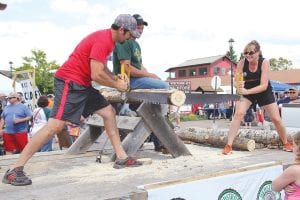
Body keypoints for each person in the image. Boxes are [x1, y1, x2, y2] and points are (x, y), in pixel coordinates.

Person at [2, 14, 143, 186]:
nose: (130, 38)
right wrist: (119, 85)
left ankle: (121, 157)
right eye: (130, 34)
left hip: (82, 83)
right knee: (55, 126)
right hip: (70, 81)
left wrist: (115, 78)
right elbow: (96, 74)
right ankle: (14, 169)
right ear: (121, 30)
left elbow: (101, 68)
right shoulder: (103, 40)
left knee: (109, 112)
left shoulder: (108, 41)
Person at [222, 40, 293, 155]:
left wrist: (247, 90)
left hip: (263, 91)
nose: (248, 55)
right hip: (247, 91)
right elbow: (236, 81)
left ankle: (286, 142)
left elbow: (264, 85)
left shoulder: (264, 62)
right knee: (238, 114)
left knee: (276, 119)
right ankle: (228, 145)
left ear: (258, 52)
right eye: (246, 53)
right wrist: (238, 85)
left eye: (251, 52)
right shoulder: (241, 63)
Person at [113, 14, 169, 152]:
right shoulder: (124, 42)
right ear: (131, 27)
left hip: (137, 79)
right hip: (128, 81)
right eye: (138, 27)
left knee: (153, 107)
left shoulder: (135, 44)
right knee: (165, 89)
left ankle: (160, 142)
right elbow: (126, 69)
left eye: (142, 28)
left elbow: (139, 66)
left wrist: (152, 76)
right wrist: (148, 75)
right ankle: (162, 138)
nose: (141, 30)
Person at [272, 131, 300, 199]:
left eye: (293, 146)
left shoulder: (294, 170)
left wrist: (284, 185)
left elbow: (275, 186)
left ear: (298, 149)